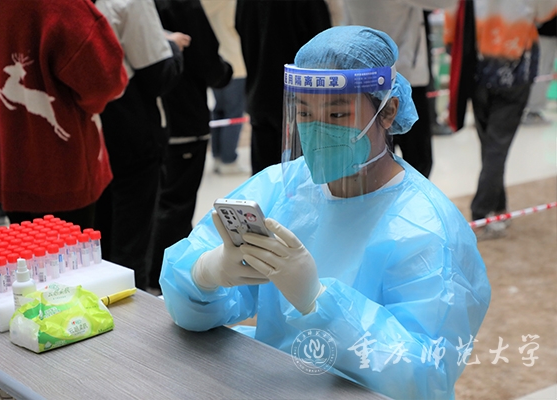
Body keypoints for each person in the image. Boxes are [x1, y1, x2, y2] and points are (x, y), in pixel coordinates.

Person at [160, 26, 491, 399]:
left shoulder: (425, 227)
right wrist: (206, 274)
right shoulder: (282, 187)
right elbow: (187, 308)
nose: (317, 131)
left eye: (336, 113)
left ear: (388, 112)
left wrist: (318, 301)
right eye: (304, 112)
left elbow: (424, 375)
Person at [0, 0, 127, 229]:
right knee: (75, 249)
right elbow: (105, 79)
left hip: (1, 162)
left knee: (24, 246)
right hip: (61, 168)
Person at [445, 1, 557, 240]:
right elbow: (546, 12)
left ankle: (498, 207)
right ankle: (481, 213)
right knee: (496, 146)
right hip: (516, 71)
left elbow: (451, 19)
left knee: (491, 145)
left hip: (477, 68)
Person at [93, 0, 186, 290]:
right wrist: (172, 48)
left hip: (92, 127)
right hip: (132, 129)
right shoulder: (131, 2)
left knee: (97, 237)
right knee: (131, 241)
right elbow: (159, 76)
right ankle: (127, 312)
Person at [147, 0, 233, 295]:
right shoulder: (184, 5)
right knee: (175, 204)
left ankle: (159, 273)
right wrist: (225, 71)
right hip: (183, 118)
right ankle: (160, 279)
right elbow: (209, 64)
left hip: (149, 119)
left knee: (159, 200)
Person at [343, 0, 458, 178]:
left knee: (375, 157)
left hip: (364, 77)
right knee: (418, 158)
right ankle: (405, 195)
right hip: (405, 78)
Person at [235, 0, 332, 175]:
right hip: (301, 107)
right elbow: (323, 50)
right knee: (302, 180)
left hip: (260, 97)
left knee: (266, 179)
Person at [201, 0, 249, 175]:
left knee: (219, 110)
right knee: (233, 112)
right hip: (236, 62)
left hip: (215, 62)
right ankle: (228, 160)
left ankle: (218, 156)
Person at [522, 16, 557, 125]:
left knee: (544, 71)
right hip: (544, 33)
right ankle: (531, 111)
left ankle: (532, 110)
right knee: (541, 71)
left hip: (547, 32)